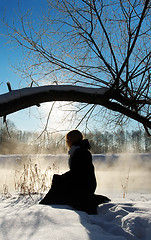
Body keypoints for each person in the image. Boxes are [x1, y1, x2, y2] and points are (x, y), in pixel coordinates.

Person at [39, 130, 110, 214]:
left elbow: (78, 173)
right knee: (59, 181)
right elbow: (77, 172)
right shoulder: (79, 150)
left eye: (68, 139)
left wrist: (61, 178)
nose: (66, 141)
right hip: (84, 183)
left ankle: (44, 205)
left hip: (85, 185)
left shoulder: (81, 152)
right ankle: (46, 203)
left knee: (58, 183)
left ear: (72, 140)